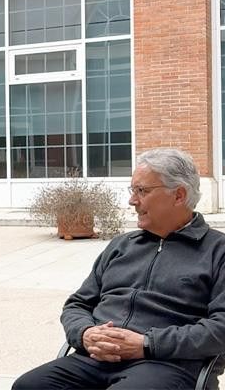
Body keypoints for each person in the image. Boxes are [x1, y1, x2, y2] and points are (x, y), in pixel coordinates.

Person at [13, 148, 225, 390]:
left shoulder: (217, 251)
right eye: (132, 191)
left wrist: (147, 343)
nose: (132, 200)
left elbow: (221, 327)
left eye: (142, 191)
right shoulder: (122, 245)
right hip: (94, 359)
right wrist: (85, 333)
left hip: (166, 364)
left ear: (178, 195)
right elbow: (78, 304)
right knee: (29, 385)